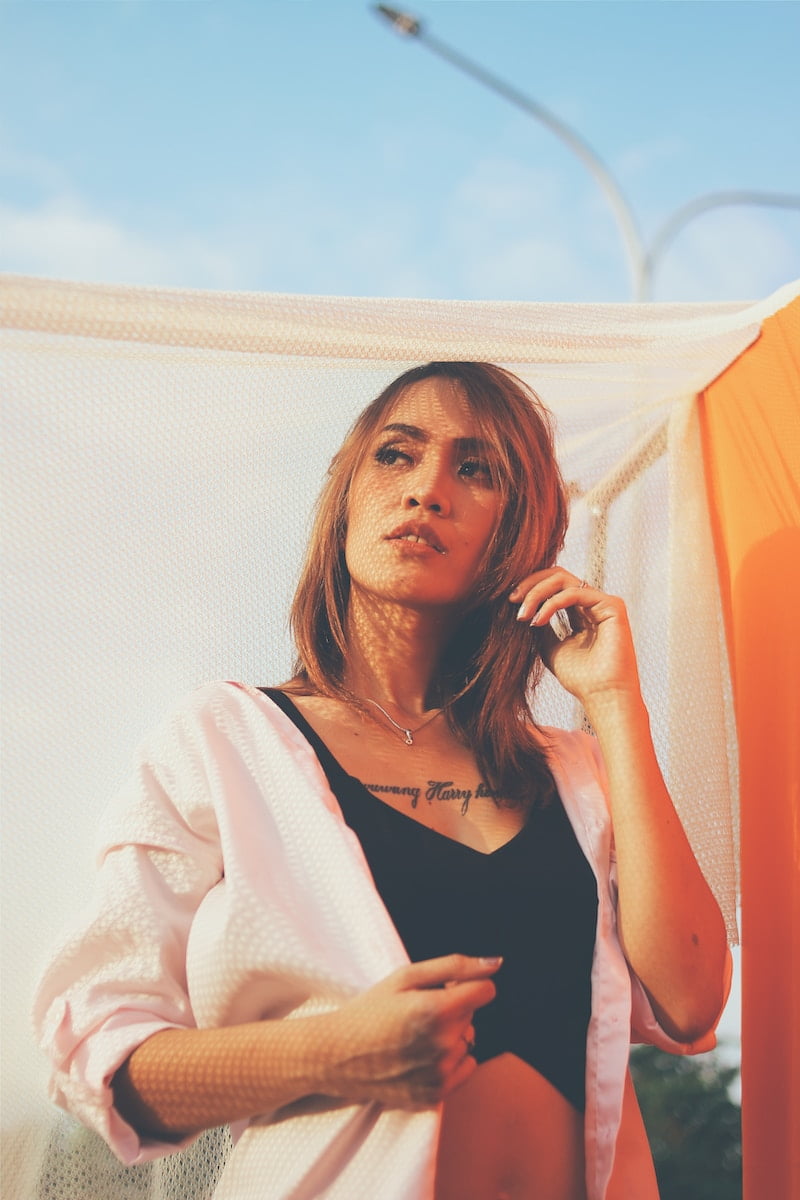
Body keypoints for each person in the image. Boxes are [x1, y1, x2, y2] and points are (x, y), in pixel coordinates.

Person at [34, 362, 730, 1200]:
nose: (428, 490)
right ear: (347, 496)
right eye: (396, 457)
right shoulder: (226, 741)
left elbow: (691, 1003)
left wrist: (617, 705)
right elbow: (97, 1061)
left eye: (478, 470)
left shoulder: (573, 769)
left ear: (524, 531)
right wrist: (336, 1052)